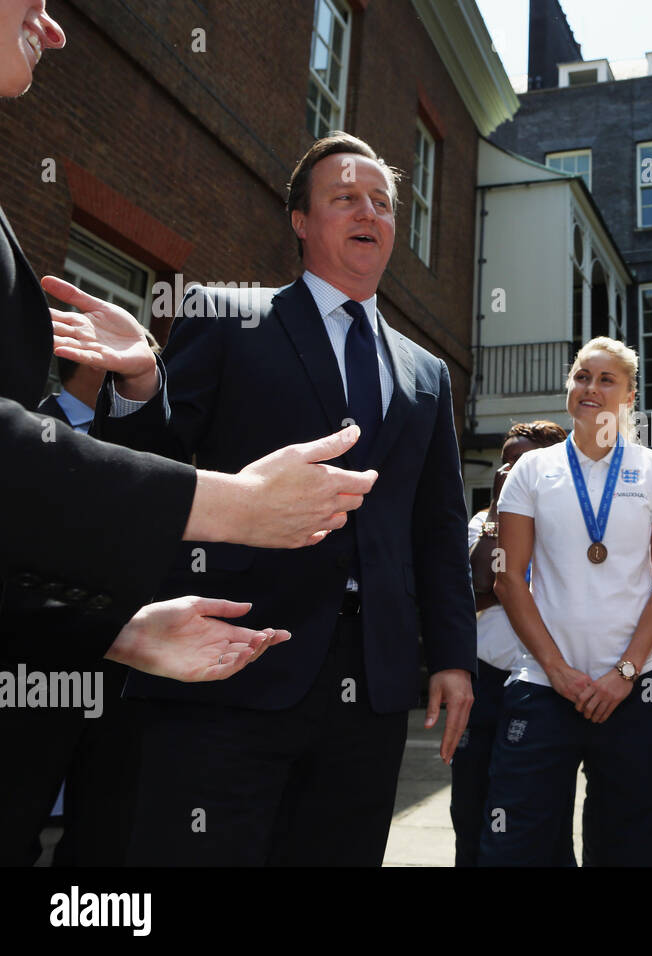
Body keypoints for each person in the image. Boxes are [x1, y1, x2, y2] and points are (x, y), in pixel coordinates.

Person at [82, 131, 477, 866]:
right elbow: (153, 466)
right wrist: (140, 384)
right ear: (300, 221)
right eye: (345, 197)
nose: (370, 212)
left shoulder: (427, 374)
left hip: (374, 686)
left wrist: (453, 656)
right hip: (232, 662)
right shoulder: (227, 316)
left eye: (382, 202)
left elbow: (438, 527)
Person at [480, 337, 652, 866]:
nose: (590, 388)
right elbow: (508, 579)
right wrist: (558, 671)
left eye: (606, 379)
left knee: (629, 846)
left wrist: (624, 672)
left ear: (629, 395)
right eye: (581, 377)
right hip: (545, 685)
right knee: (519, 845)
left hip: (636, 686)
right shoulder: (531, 470)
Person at [454, 419, 571, 867]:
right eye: (504, 464)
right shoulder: (484, 520)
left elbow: (499, 588)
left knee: (541, 810)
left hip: (544, 681)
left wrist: (501, 590)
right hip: (485, 684)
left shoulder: (568, 521)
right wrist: (501, 508)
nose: (508, 472)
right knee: (471, 805)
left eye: (520, 464)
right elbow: (480, 582)